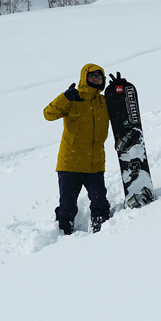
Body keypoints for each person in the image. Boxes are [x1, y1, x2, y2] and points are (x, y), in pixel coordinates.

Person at [44, 63, 111, 235]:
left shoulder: (104, 102)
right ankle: (64, 238)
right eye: (92, 76)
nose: (96, 79)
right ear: (84, 77)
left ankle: (103, 235)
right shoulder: (73, 99)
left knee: (100, 203)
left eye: (99, 76)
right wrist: (65, 97)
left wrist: (122, 89)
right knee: (67, 206)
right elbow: (48, 114)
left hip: (94, 163)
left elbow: (123, 111)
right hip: (70, 163)